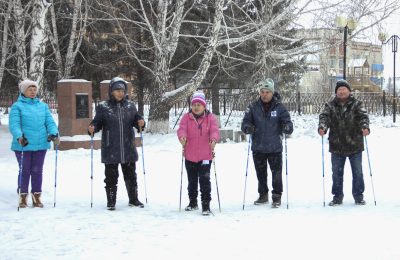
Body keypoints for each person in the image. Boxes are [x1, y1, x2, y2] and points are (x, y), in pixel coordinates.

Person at [88, 77, 145, 210]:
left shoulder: (131, 106)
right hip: (110, 147)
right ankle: (111, 201)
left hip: (128, 147)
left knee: (131, 175)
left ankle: (133, 199)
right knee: (111, 177)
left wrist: (141, 123)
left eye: (122, 90)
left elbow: (137, 121)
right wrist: (92, 128)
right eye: (117, 90)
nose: (120, 93)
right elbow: (97, 123)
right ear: (111, 91)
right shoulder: (103, 107)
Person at [241, 78, 293, 208]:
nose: (264, 94)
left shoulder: (280, 107)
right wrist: (247, 127)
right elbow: (245, 123)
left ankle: (276, 197)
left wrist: (287, 127)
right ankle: (263, 195)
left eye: (267, 92)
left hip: (274, 147)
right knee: (261, 174)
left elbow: (288, 122)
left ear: (272, 92)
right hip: (258, 148)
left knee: (276, 174)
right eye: (262, 92)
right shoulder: (253, 107)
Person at [318, 79, 370, 206]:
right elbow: (324, 117)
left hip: (355, 144)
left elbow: (363, 116)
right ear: (336, 92)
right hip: (337, 146)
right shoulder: (330, 105)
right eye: (339, 90)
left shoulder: (357, 104)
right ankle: (337, 196)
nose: (341, 91)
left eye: (344, 89)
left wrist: (365, 127)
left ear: (349, 91)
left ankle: (358, 196)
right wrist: (322, 127)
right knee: (336, 173)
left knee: (357, 172)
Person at [9, 79, 59, 208]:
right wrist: (19, 136)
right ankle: (22, 196)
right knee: (25, 170)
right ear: (23, 91)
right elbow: (14, 124)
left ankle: (36, 196)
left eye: (34, 89)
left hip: (41, 143)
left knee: (37, 171)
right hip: (23, 144)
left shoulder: (43, 106)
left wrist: (54, 133)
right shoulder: (17, 106)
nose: (32, 92)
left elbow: (50, 122)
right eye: (29, 89)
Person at [177, 91, 220, 215]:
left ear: (204, 106)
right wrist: (182, 138)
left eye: (198, 105)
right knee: (192, 181)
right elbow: (182, 129)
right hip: (190, 156)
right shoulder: (186, 117)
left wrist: (213, 139)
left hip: (205, 156)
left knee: (205, 181)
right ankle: (193, 202)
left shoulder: (210, 118)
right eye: (194, 104)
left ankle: (206, 205)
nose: (196, 107)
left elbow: (215, 131)